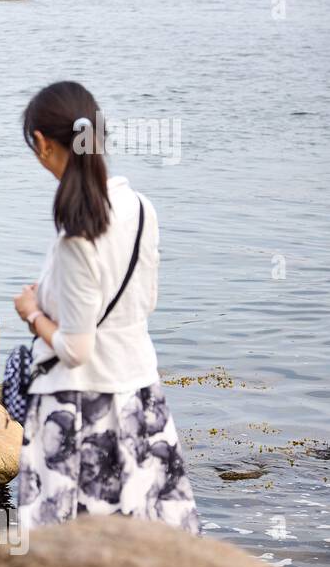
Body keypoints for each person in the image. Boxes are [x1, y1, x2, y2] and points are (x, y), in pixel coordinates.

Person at [12, 81, 199, 534]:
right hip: (139, 392)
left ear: (41, 143)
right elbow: (146, 301)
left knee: (66, 543)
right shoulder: (140, 208)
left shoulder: (77, 233)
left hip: (77, 405)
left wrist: (34, 314)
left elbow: (77, 348)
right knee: (148, 534)